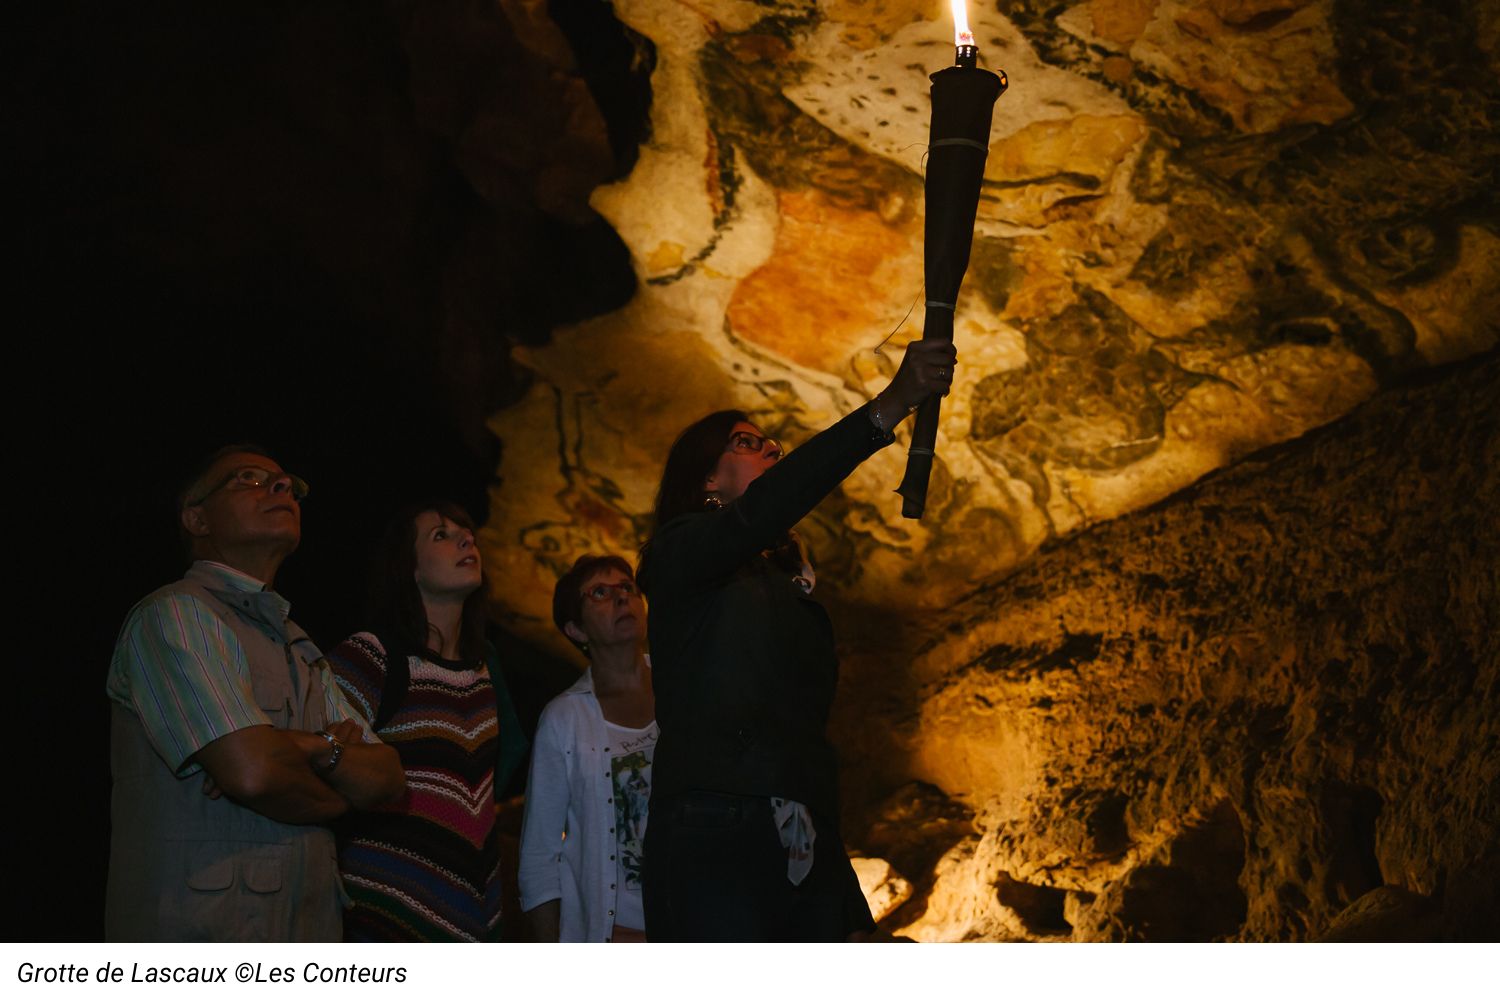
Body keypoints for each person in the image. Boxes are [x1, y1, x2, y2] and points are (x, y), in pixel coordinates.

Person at [637, 338, 956, 941]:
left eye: (771, 443)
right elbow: (761, 511)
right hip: (717, 823)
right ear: (707, 478)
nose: (773, 449)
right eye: (747, 443)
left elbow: (802, 727)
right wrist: (888, 407)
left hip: (801, 824)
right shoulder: (679, 555)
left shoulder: (783, 590)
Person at [105, 445, 405, 942]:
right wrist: (336, 780)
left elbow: (388, 778)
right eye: (248, 478)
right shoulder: (176, 615)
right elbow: (254, 771)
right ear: (196, 518)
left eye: (287, 482)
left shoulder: (299, 647)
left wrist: (305, 748)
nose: (283, 487)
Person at [327, 501, 527, 941]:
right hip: (386, 916)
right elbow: (313, 754)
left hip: (479, 915)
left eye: (466, 531)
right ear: (410, 568)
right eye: (440, 535)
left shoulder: (482, 675)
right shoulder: (371, 656)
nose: (465, 538)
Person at [518, 554, 655, 942]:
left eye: (627, 587)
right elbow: (539, 858)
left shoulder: (684, 685)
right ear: (576, 629)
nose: (622, 598)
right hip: (617, 935)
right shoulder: (564, 718)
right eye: (600, 592)